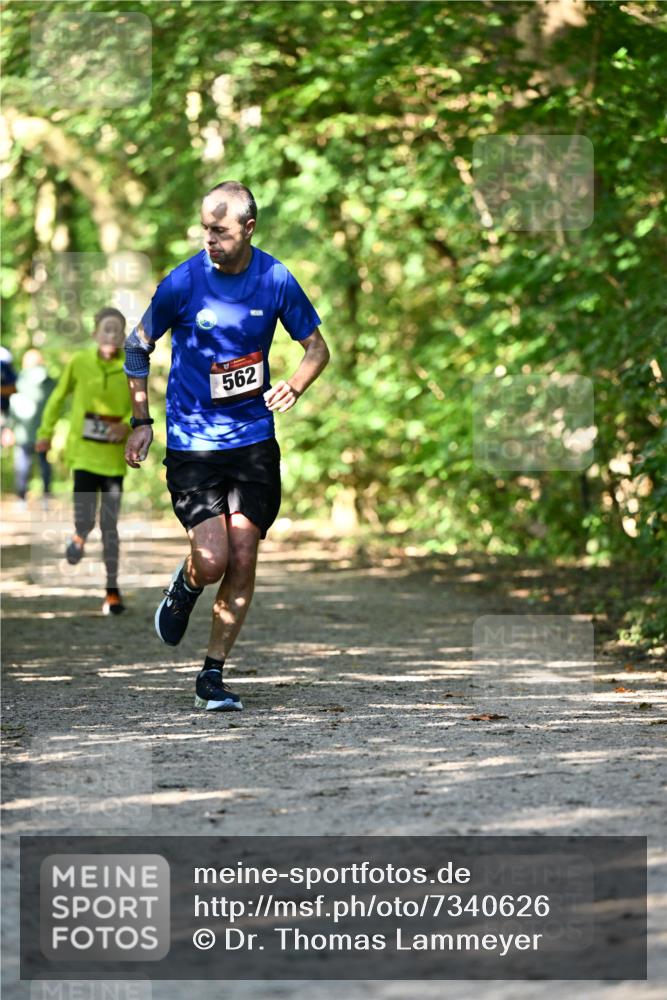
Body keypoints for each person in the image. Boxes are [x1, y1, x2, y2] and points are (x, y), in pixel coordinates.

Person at [123, 180, 330, 712]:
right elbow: (136, 346)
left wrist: (295, 384)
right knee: (212, 559)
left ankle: (212, 674)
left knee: (243, 554)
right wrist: (141, 419)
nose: (208, 239)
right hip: (193, 444)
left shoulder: (275, 279)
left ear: (249, 228)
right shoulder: (183, 282)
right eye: (205, 230)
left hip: (253, 441)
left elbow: (316, 348)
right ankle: (187, 584)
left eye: (219, 230)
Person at [35, 307, 132, 616]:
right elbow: (57, 397)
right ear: (95, 334)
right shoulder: (79, 362)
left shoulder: (132, 366)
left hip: (113, 460)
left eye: (117, 330)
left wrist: (127, 424)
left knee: (110, 526)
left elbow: (141, 406)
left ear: (123, 336)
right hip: (84, 457)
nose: (112, 335)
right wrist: (45, 432)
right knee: (86, 518)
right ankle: (79, 535)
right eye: (106, 329)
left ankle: (112, 591)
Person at [7, 349, 55, 508]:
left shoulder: (21, 379)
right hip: (43, 430)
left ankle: (21, 499)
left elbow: (14, 402)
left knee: (23, 465)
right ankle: (46, 499)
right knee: (44, 464)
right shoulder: (49, 381)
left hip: (23, 430)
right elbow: (54, 405)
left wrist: (9, 427)